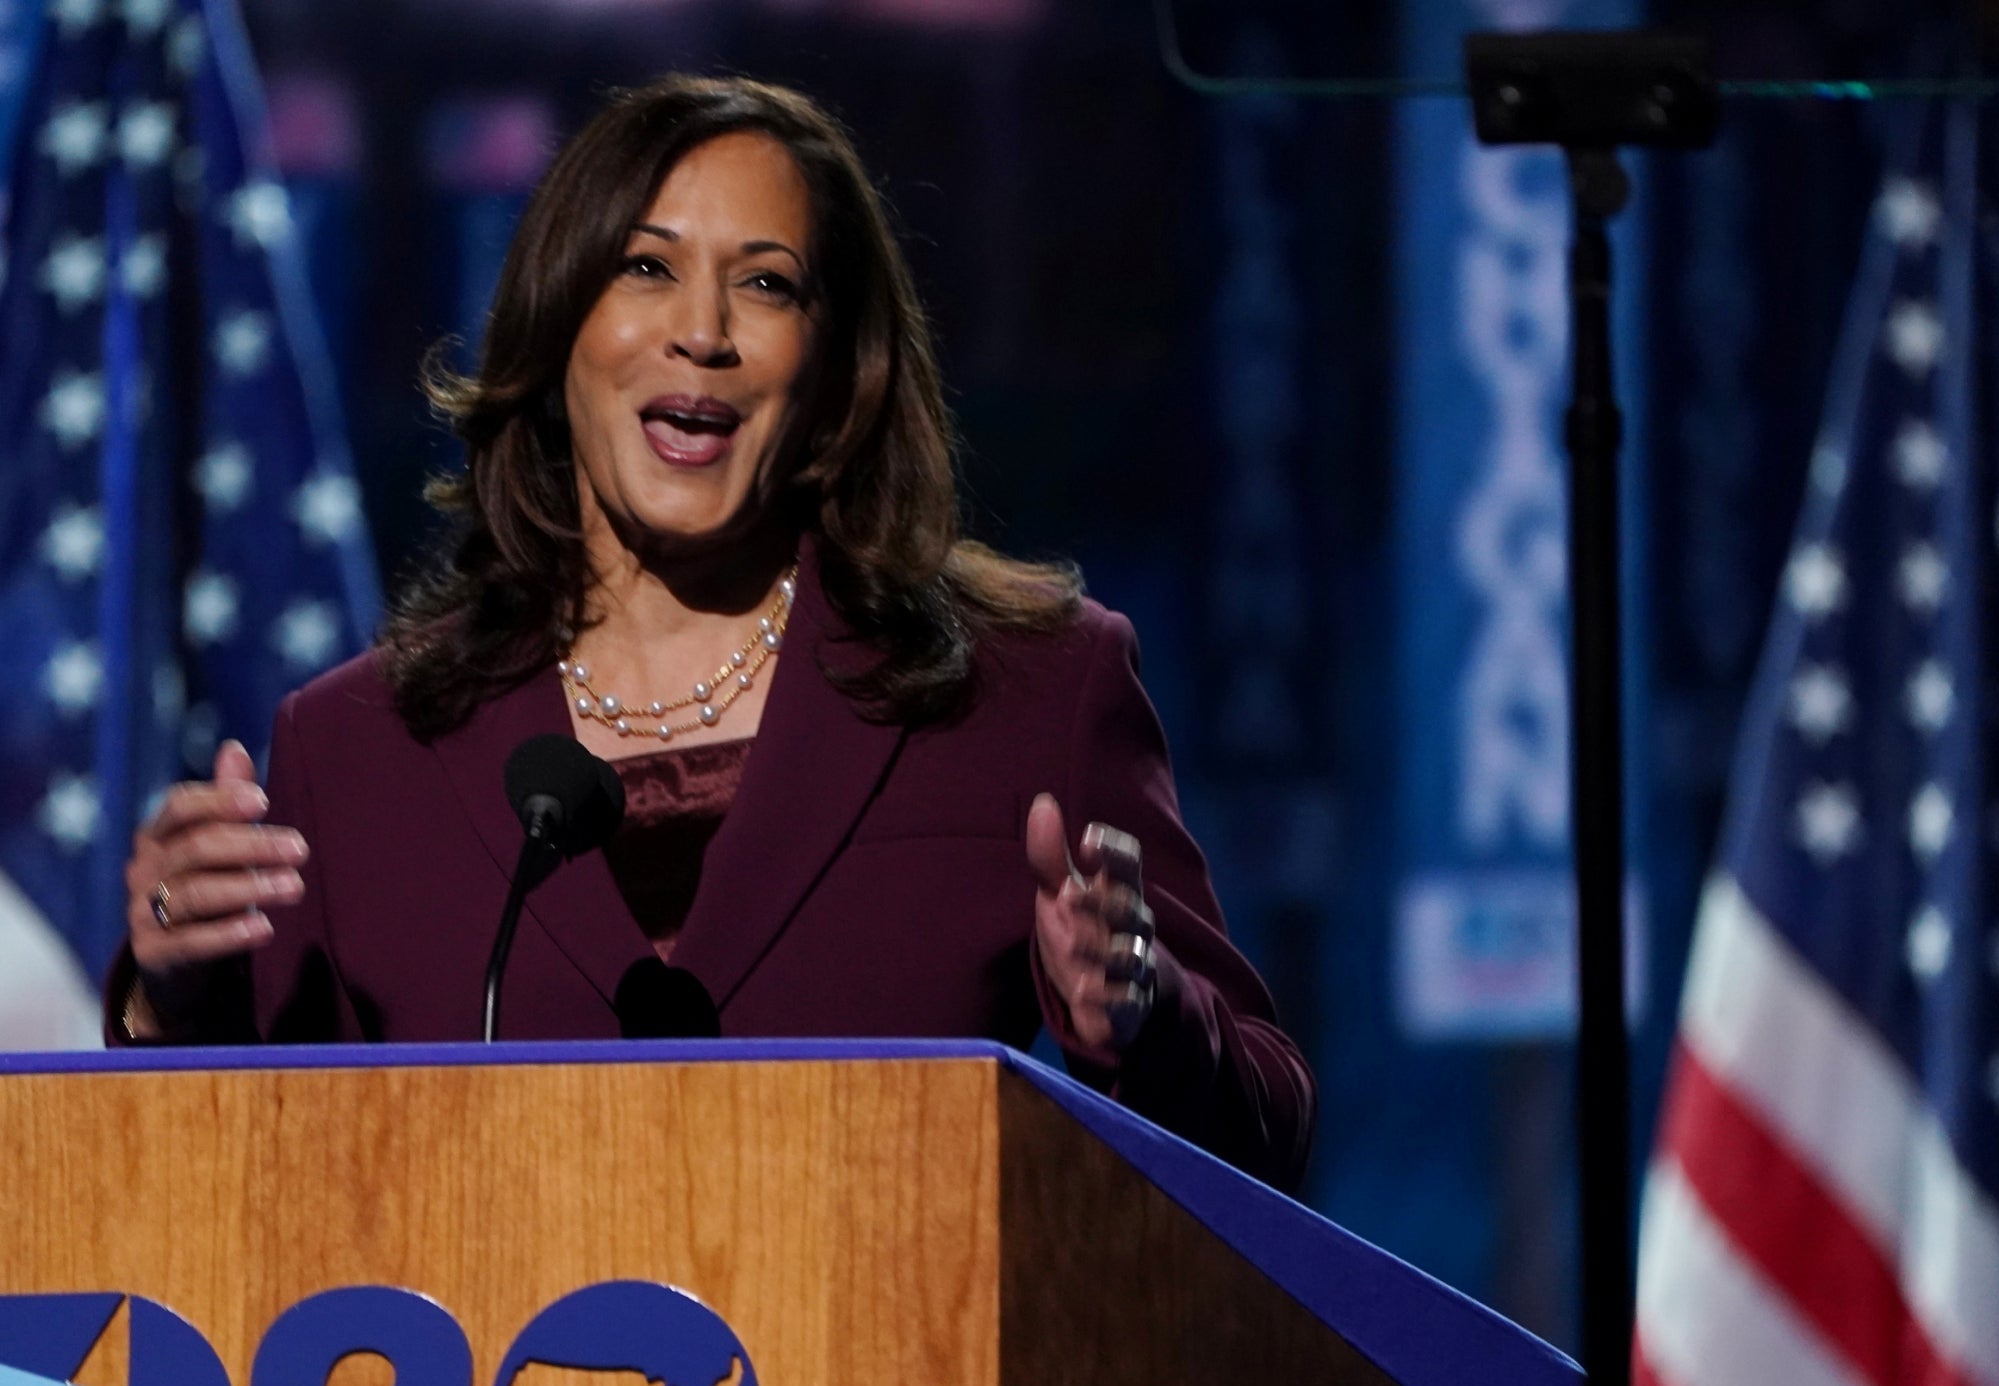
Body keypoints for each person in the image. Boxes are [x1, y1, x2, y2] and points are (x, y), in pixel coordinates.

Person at [108, 75, 1314, 1191]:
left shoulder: (1026, 689)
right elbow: (238, 1208)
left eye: (768, 282)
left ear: (835, 373)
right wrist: (174, 995)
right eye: (644, 268)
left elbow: (1270, 1130)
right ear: (553, 328)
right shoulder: (356, 747)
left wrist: (1144, 1018)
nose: (703, 330)